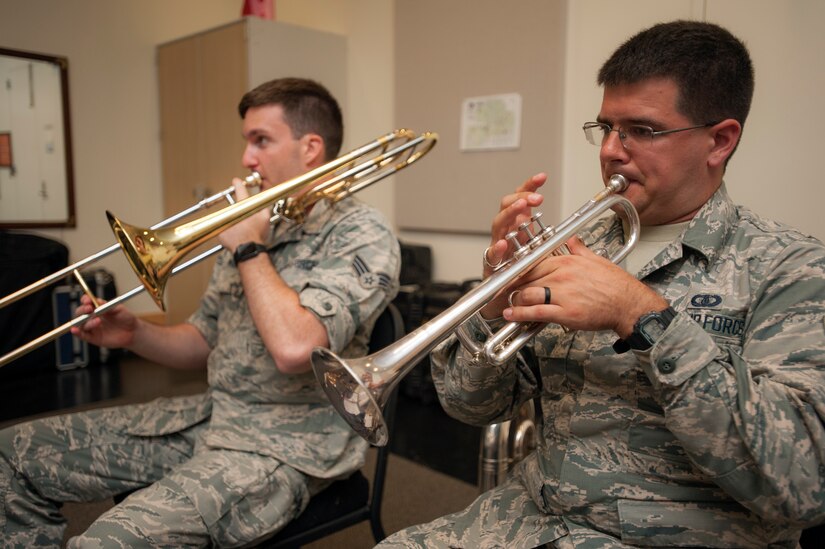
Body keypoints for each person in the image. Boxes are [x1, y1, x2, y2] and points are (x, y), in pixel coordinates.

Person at [380, 20, 825, 548]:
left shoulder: (792, 268)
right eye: (606, 127)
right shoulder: (576, 243)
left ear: (719, 141)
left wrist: (644, 318)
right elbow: (470, 406)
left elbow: (803, 483)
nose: (612, 150)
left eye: (642, 130)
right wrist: (495, 302)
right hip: (526, 520)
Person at [0, 77, 401, 547]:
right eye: (247, 141)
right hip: (213, 415)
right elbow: (203, 342)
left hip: (288, 446)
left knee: (106, 542)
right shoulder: (255, 225)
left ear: (311, 148)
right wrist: (134, 335)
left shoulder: (362, 234)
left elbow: (295, 349)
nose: (247, 159)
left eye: (261, 141)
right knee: (9, 455)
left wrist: (250, 249)